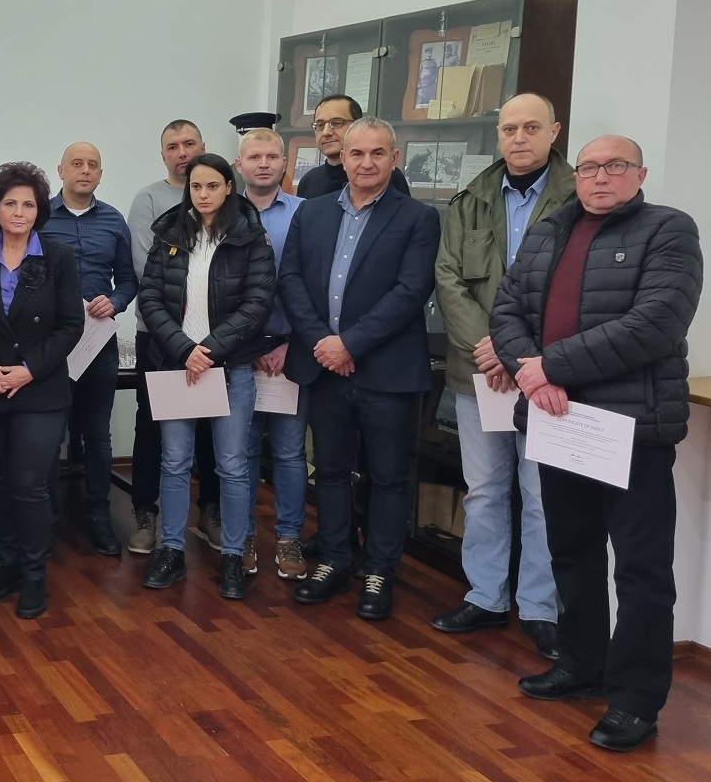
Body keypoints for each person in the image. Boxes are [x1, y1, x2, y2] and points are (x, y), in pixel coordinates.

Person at [492, 134, 702, 752]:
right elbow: (506, 310)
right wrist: (533, 372)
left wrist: (549, 366)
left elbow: (656, 322)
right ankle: (581, 663)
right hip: (559, 421)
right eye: (589, 167)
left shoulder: (669, 230)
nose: (600, 177)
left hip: (630, 429)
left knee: (640, 569)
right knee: (572, 552)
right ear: (575, 175)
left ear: (640, 174)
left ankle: (636, 699)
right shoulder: (550, 230)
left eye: (615, 166)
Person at [429, 94, 574, 659]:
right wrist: (491, 349)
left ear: (554, 132)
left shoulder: (575, 198)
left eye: (531, 127)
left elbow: (576, 291)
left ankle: (539, 607)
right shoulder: (471, 199)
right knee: (486, 490)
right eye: (509, 128)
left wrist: (520, 354)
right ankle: (486, 595)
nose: (519, 138)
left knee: (541, 496)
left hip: (545, 375)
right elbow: (448, 278)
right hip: (480, 371)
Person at [280, 118, 440, 620]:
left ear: (395, 158)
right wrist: (323, 343)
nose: (366, 163)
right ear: (342, 158)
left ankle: (380, 570)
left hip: (385, 370)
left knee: (387, 475)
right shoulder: (311, 212)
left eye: (377, 153)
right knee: (329, 470)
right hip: (323, 366)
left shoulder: (419, 217)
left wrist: (349, 344)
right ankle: (335, 558)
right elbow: (291, 278)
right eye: (357, 153)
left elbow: (411, 292)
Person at [136, 154, 275, 599]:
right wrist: (184, 349)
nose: (203, 194)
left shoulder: (250, 235)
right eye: (195, 186)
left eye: (212, 185)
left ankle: (233, 555)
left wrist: (211, 350)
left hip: (229, 367)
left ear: (229, 187)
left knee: (231, 465)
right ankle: (172, 550)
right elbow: (149, 298)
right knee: (174, 462)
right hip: (178, 365)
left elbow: (258, 302)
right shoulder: (169, 232)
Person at [0, 163, 84, 619]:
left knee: (29, 484)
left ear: (40, 211)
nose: (19, 212)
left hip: (40, 390)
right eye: (10, 203)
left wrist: (29, 370)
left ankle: (35, 574)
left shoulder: (58, 257)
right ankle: (10, 564)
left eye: (28, 205)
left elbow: (71, 325)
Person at [36, 142, 137, 555]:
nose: (85, 170)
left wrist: (115, 301)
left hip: (98, 343)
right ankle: (47, 521)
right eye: (76, 164)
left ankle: (98, 514)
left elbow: (129, 279)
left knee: (97, 433)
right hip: (53, 342)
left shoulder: (113, 220)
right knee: (50, 433)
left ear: (100, 173)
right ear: (61, 170)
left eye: (92, 165)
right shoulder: (40, 216)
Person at [125, 119, 218, 555]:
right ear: (163, 154)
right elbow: (148, 271)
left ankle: (210, 510)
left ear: (203, 146)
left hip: (213, 339)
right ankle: (145, 511)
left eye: (189, 143)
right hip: (159, 335)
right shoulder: (148, 200)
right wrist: (179, 335)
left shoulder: (224, 198)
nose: (182, 152)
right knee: (151, 423)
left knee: (212, 425)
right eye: (172, 146)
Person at [233, 128, 308, 580]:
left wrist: (289, 342)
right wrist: (246, 345)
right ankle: (240, 535)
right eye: (254, 156)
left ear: (285, 164)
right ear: (239, 164)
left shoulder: (307, 214)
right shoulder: (223, 212)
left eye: (272, 156)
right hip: (239, 355)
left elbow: (315, 285)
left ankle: (289, 537)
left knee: (290, 452)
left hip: (289, 354)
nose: (263, 163)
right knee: (239, 453)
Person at [297, 95, 410, 199]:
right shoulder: (308, 181)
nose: (326, 132)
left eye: (337, 123)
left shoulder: (385, 175)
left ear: (357, 126)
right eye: (320, 125)